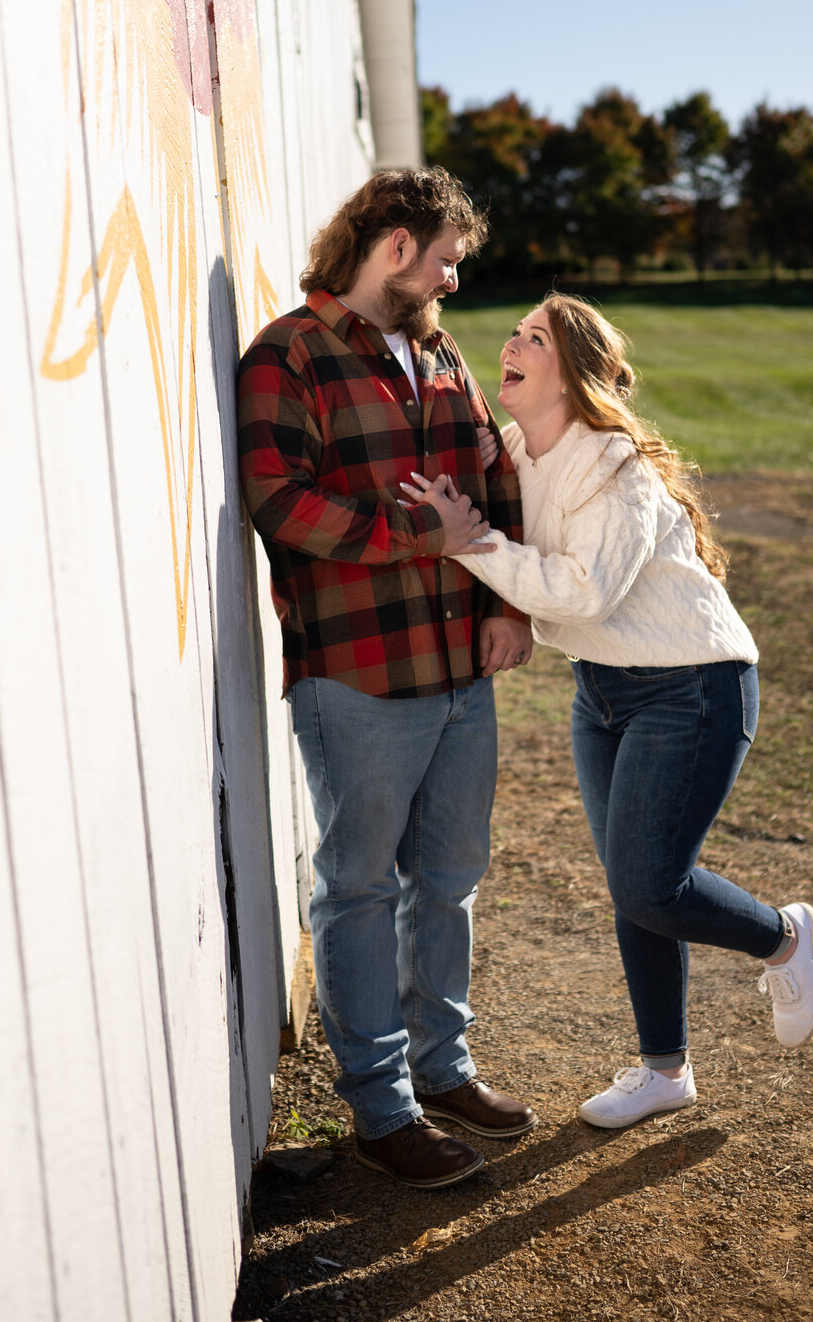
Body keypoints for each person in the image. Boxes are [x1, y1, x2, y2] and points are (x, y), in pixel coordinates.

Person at [401, 293, 813, 1131]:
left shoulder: (615, 466)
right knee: (639, 888)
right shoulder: (522, 447)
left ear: (574, 374)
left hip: (693, 688)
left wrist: (468, 543)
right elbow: (513, 500)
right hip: (603, 692)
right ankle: (666, 1071)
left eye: (535, 338)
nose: (510, 344)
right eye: (514, 331)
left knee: (648, 883)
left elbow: (584, 591)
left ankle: (783, 937)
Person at [237, 168, 537, 1188]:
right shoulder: (291, 354)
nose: (454, 276)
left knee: (448, 883)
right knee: (360, 886)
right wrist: (421, 531)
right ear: (397, 244)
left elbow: (494, 477)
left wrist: (506, 604)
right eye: (448, 255)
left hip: (464, 665)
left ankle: (442, 1069)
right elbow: (279, 500)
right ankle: (380, 1109)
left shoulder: (442, 349)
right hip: (358, 673)